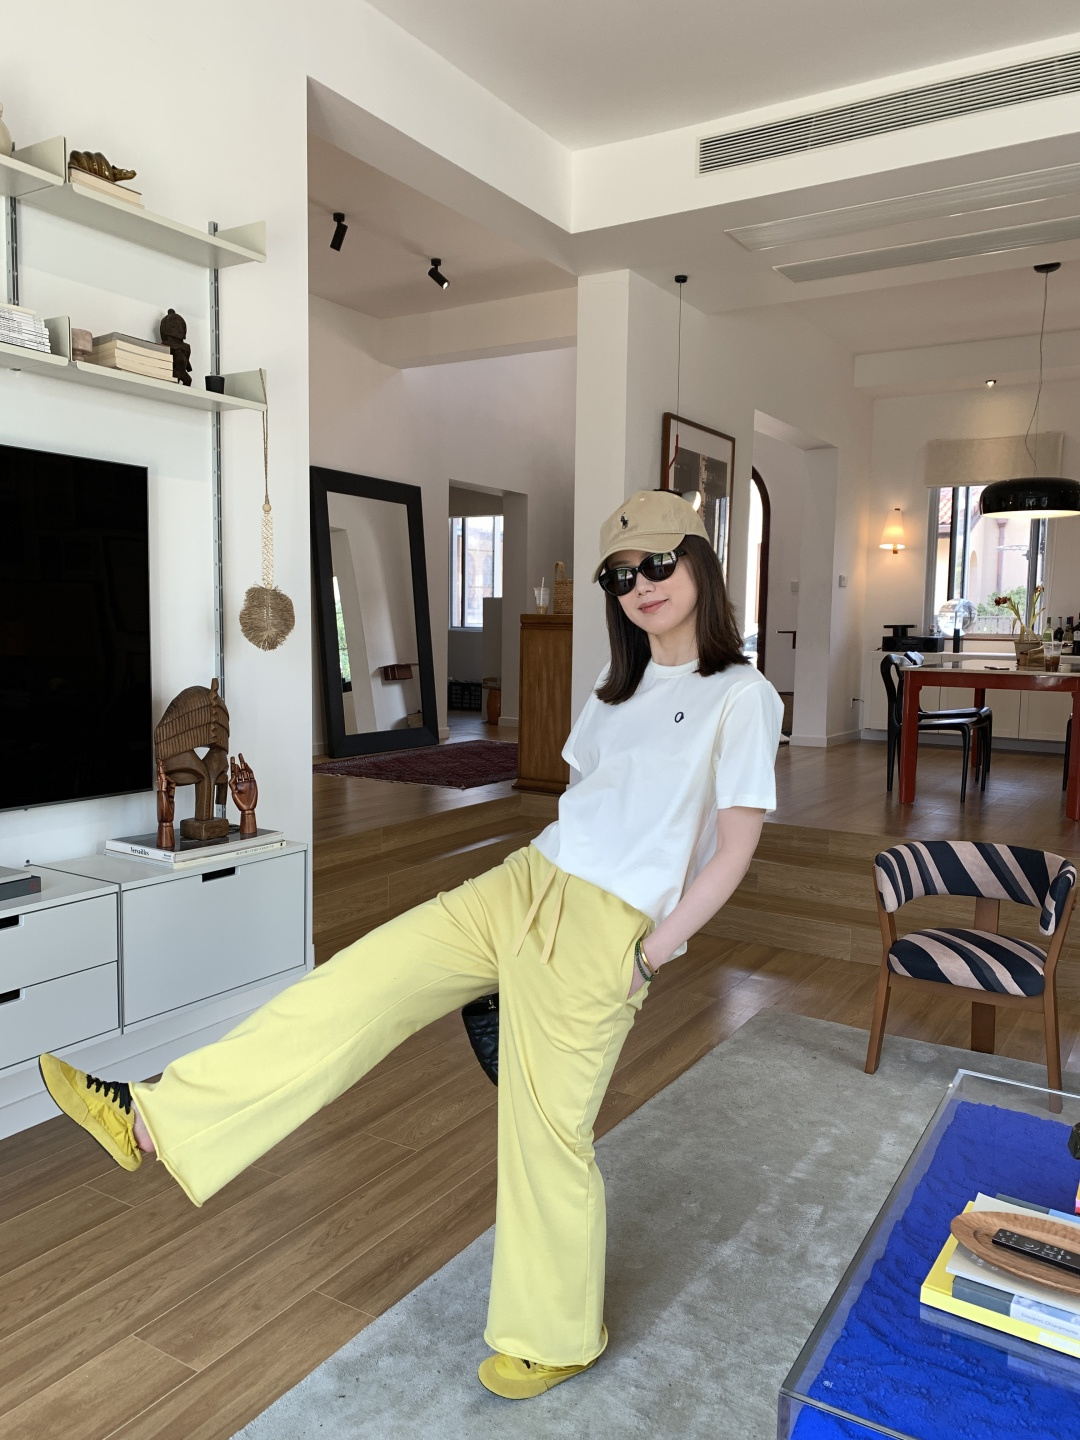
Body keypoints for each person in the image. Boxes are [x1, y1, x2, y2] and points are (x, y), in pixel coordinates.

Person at [38, 487, 783, 1401]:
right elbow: (590, 803)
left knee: (547, 1135)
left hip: (610, 930)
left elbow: (733, 847)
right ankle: (154, 1120)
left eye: (659, 564)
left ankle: (557, 1337)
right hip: (527, 882)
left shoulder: (742, 695)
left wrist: (648, 956)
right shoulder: (613, 687)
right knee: (355, 984)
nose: (642, 586)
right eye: (621, 575)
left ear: (700, 562)